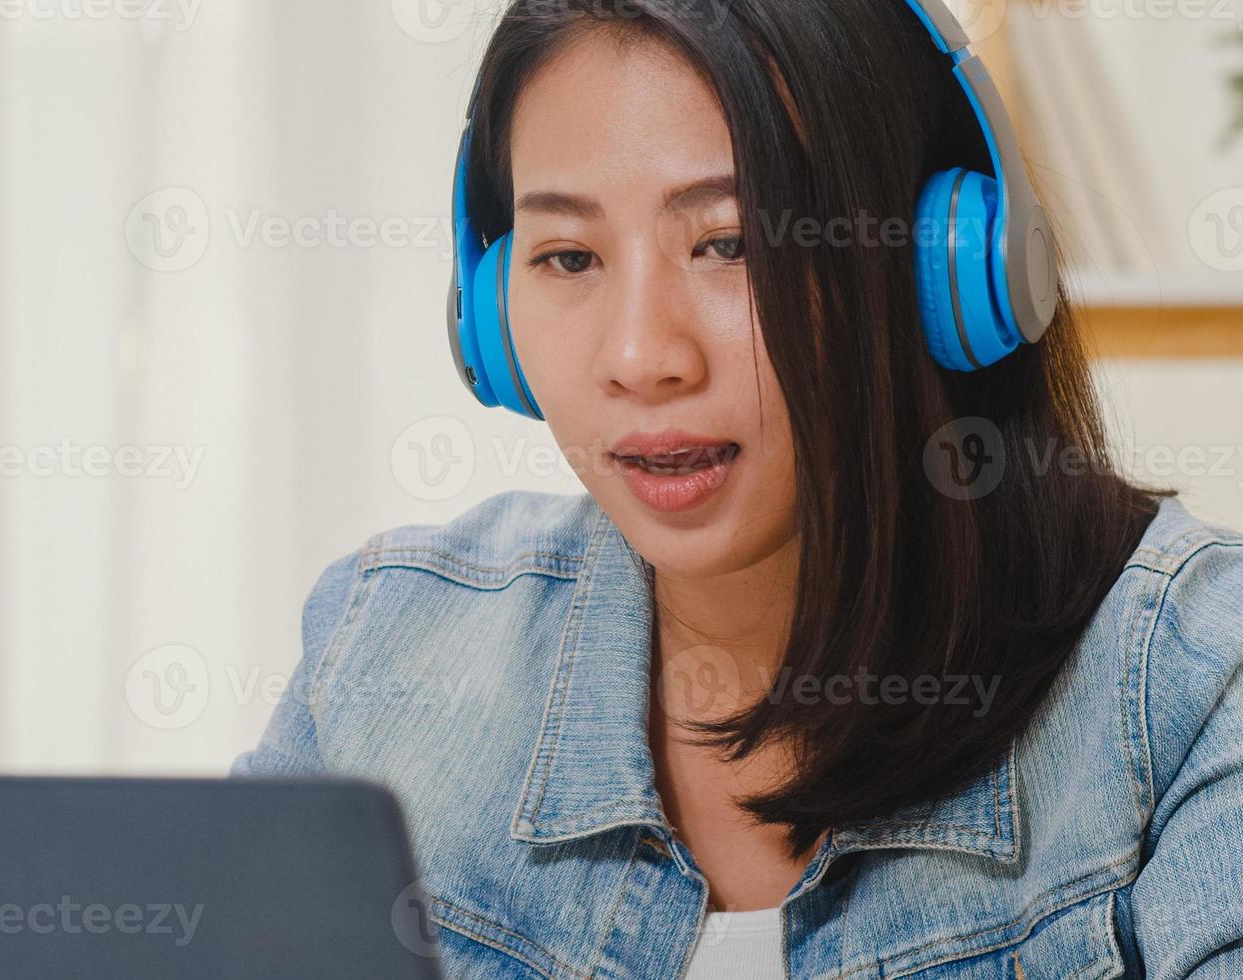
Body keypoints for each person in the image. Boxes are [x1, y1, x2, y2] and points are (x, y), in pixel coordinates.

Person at [234, 1, 1243, 975]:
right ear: (491, 318)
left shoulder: (1189, 682)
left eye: (731, 243)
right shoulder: (386, 643)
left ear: (943, 265)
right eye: (568, 256)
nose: (639, 355)